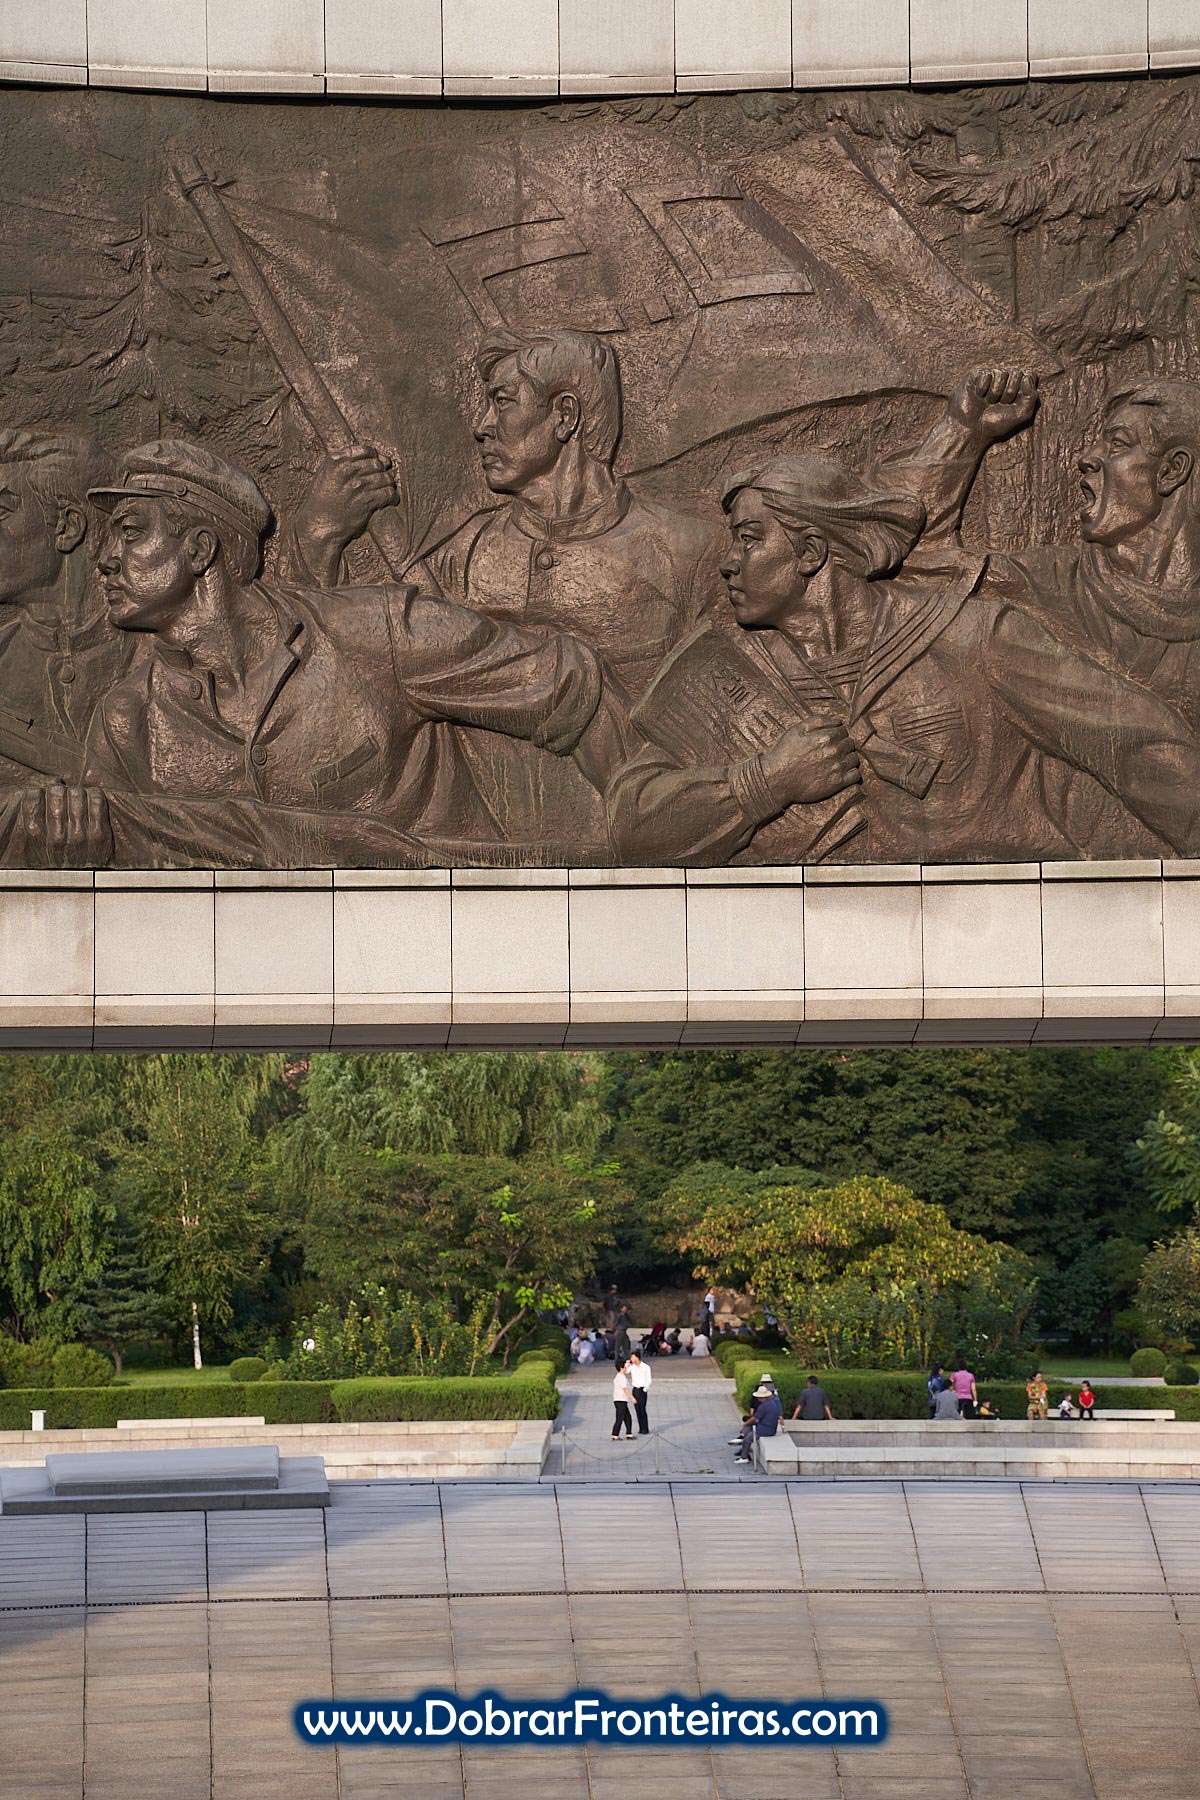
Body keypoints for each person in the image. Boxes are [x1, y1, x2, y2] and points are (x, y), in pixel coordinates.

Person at [607, 445, 1200, 865]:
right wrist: (766, 781)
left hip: (992, 925)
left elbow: (1140, 743)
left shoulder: (969, 636)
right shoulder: (713, 669)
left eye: (749, 538)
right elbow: (630, 823)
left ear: (811, 552)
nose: (727, 562)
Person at [51, 439, 625, 869]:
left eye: (129, 531)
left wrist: (638, 798)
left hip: (450, 945)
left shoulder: (373, 632)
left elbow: (566, 681)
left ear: (201, 548)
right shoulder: (127, 723)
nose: (103, 557)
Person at [284, 327, 723, 855]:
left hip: (637, 844)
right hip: (477, 851)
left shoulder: (691, 553)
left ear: (565, 416)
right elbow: (342, 672)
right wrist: (319, 539)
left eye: (502, 403)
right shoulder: (457, 558)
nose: (480, 427)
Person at [885, 368, 1200, 856]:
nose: (1087, 458)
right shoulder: (1043, 585)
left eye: (1116, 445)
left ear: (1171, 471)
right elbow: (905, 559)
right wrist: (962, 432)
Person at [731, 1382, 782, 1464]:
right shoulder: (772, 1402)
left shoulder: (763, 1406)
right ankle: (742, 1437)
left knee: (747, 1439)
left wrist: (745, 1423)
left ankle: (744, 1457)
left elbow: (754, 1418)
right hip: (770, 1427)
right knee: (748, 1429)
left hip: (765, 1429)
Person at [628, 1349, 652, 1435]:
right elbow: (625, 1371)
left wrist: (645, 1390)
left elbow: (649, 1380)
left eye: (632, 1357)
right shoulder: (632, 1367)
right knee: (637, 1409)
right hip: (635, 1389)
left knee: (642, 1409)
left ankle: (645, 1428)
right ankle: (640, 1428)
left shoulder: (645, 1367)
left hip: (642, 1390)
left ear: (637, 1357)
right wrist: (627, 1363)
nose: (631, 1358)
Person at [611, 1360, 634, 1441]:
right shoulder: (622, 1377)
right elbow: (625, 1389)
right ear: (621, 1368)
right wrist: (632, 1398)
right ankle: (615, 1434)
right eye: (624, 1366)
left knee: (627, 1417)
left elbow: (625, 1367)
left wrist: (627, 1362)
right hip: (621, 1400)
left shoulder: (618, 1375)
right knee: (619, 1418)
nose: (626, 1368)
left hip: (619, 1400)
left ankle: (629, 1433)